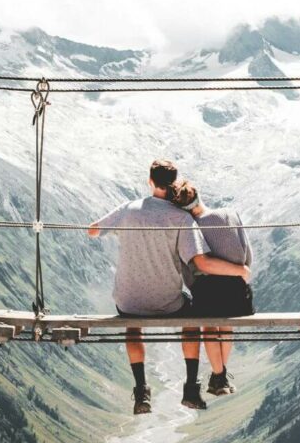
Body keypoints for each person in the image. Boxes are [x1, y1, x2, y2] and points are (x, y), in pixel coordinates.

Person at [88, 159, 251, 416]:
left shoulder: (128, 209)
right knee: (193, 318)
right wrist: (240, 271)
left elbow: (93, 230)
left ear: (149, 180)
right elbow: (201, 262)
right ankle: (190, 388)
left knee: (132, 324)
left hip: (128, 300)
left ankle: (141, 390)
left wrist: (125, 231)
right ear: (174, 182)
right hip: (168, 302)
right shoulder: (180, 218)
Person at [170, 180, 253, 397]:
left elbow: (192, 268)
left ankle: (219, 376)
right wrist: (239, 272)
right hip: (238, 294)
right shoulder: (230, 214)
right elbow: (248, 256)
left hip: (208, 293)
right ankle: (220, 377)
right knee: (226, 326)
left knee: (209, 326)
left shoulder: (190, 227)